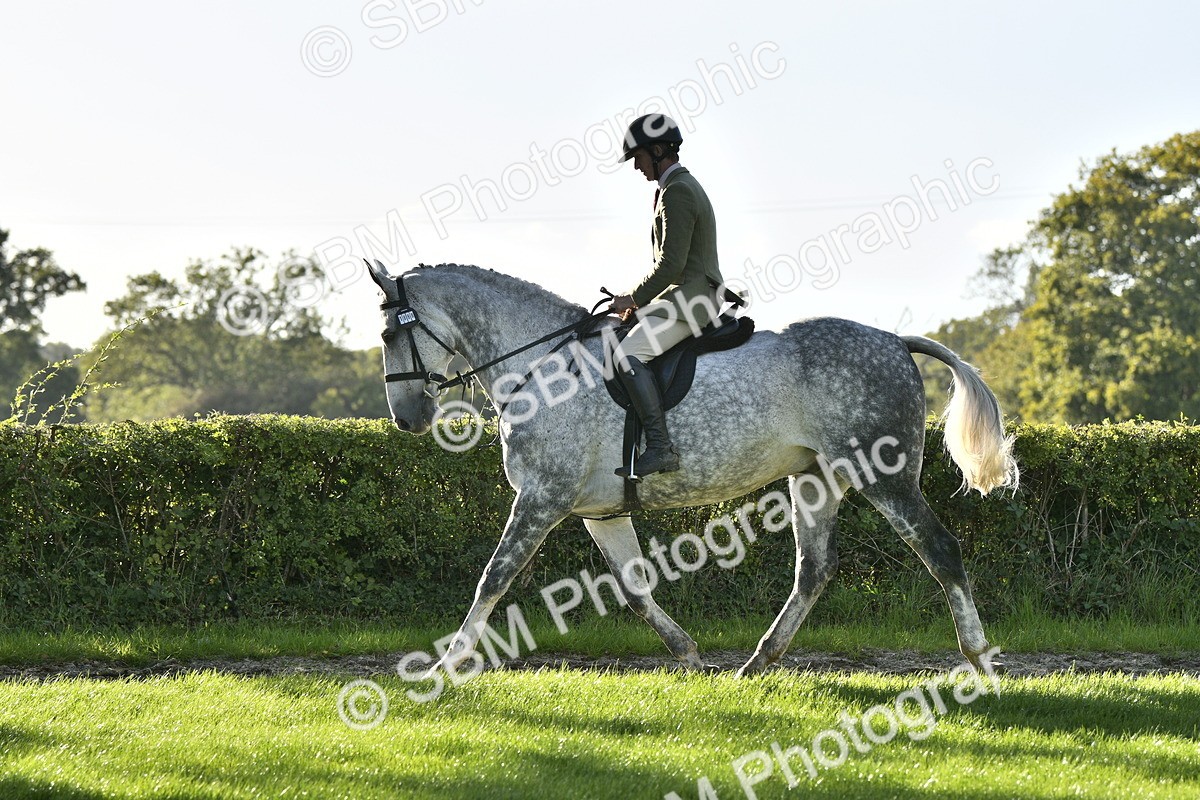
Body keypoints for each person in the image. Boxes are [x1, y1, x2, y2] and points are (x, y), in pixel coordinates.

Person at [609, 113, 725, 478]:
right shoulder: (674, 189)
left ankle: (660, 447)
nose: (636, 167)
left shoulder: (678, 191)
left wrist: (633, 298)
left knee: (627, 355)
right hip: (683, 297)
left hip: (693, 299)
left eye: (638, 158)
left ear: (657, 151)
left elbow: (671, 265)